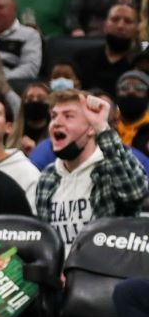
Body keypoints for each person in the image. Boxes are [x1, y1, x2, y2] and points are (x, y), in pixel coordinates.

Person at [36, 91, 149, 248]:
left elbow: (135, 193)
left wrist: (102, 128)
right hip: (58, 272)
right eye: (54, 116)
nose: (57, 122)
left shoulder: (109, 169)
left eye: (68, 116)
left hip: (105, 270)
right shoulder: (47, 177)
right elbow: (45, 242)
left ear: (90, 129)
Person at [75, 3, 141, 95]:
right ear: (105, 25)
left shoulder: (142, 62)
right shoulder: (83, 57)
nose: (120, 26)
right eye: (115, 19)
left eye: (128, 21)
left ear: (137, 29)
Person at [117, 70, 149, 154]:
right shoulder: (107, 125)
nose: (131, 91)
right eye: (124, 87)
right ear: (117, 93)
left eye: (139, 88)